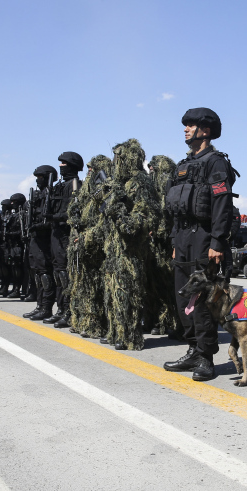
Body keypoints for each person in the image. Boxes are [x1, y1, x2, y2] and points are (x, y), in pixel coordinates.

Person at [163, 108, 237, 381]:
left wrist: (217, 241)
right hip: (183, 238)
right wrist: (174, 240)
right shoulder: (183, 165)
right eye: (185, 125)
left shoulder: (215, 163)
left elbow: (222, 204)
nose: (185, 129)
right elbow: (174, 210)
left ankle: (206, 357)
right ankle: (193, 349)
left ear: (205, 131)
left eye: (191, 125)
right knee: (183, 297)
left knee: (204, 300)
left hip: (204, 237)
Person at [101, 139, 159, 350]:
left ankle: (130, 336)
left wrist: (121, 214)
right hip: (114, 247)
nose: (115, 162)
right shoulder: (118, 182)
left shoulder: (140, 182)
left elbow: (145, 215)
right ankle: (116, 332)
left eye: (119, 158)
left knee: (129, 292)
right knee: (113, 292)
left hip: (130, 248)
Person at [68, 155, 114, 339]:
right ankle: (84, 321)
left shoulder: (104, 188)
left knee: (96, 287)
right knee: (83, 285)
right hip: (84, 241)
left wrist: (88, 235)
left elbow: (103, 220)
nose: (89, 172)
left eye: (92, 169)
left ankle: (97, 325)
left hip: (97, 244)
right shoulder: (86, 190)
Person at [43, 151, 84, 328]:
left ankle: (69, 311)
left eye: (64, 164)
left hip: (66, 234)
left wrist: (54, 216)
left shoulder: (75, 185)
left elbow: (74, 212)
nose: (60, 166)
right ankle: (60, 309)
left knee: (65, 275)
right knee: (58, 273)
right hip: (56, 234)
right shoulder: (60, 186)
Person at [146, 155, 182, 336]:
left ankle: (169, 320)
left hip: (167, 241)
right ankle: (157, 319)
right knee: (155, 281)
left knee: (166, 282)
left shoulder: (168, 185)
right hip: (157, 241)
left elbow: (168, 212)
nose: (151, 170)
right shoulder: (153, 185)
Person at [23, 165, 57, 320]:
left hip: (45, 239)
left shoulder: (52, 194)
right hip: (35, 239)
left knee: (45, 275)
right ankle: (40, 305)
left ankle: (46, 308)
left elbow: (49, 219)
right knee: (37, 274)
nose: (38, 180)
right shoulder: (37, 196)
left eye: (41, 177)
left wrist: (39, 225)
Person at [6, 193, 28, 300]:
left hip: (19, 245)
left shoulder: (23, 215)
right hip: (13, 244)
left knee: (18, 269)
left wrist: (11, 234)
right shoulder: (14, 215)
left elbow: (23, 230)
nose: (12, 204)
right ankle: (16, 288)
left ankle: (18, 289)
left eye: (14, 202)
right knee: (14, 267)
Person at [0, 199, 13, 297]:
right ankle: (3, 286)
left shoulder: (12, 216)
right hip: (1, 244)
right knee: (1, 267)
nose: (3, 208)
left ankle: (7, 286)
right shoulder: (1, 216)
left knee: (7, 268)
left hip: (9, 244)